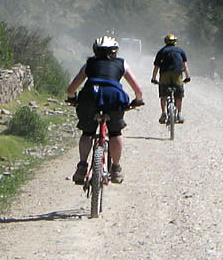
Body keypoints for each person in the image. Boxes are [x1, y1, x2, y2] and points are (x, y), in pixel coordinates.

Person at [66, 35, 143, 185]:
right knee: (115, 132)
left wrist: (72, 98)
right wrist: (137, 100)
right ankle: (115, 168)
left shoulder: (89, 64)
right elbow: (138, 89)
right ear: (115, 51)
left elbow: (71, 89)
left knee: (87, 133)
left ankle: (82, 166)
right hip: (114, 99)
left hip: (90, 98)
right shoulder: (122, 64)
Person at [151, 33, 191, 124]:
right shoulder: (181, 51)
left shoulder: (161, 51)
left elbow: (156, 66)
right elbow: (185, 66)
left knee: (163, 94)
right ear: (175, 42)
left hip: (164, 74)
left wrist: (153, 78)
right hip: (177, 74)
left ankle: (163, 113)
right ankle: (179, 114)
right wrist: (188, 77)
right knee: (179, 94)